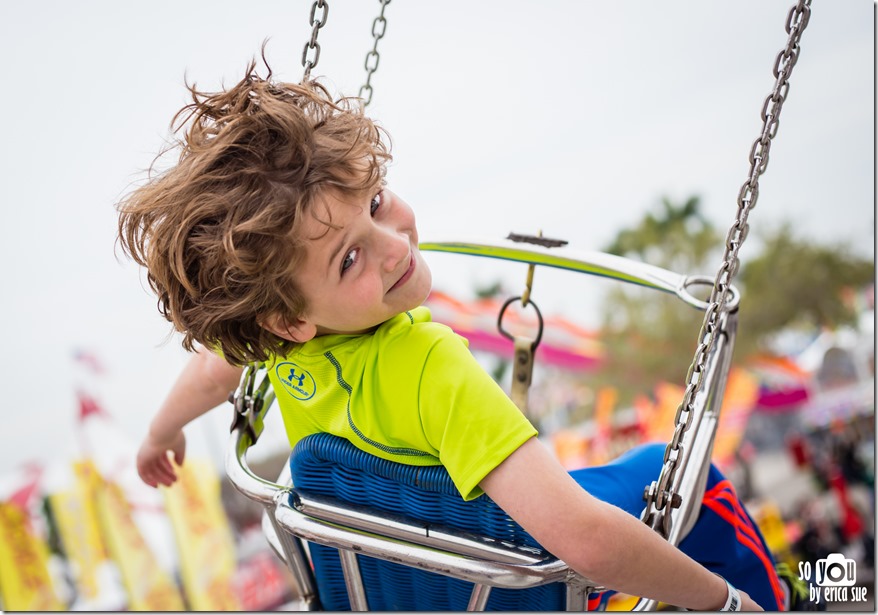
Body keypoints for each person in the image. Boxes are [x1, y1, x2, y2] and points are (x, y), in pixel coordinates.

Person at [118, 57, 787, 611]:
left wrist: (161, 431)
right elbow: (583, 537)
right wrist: (721, 601)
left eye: (375, 202)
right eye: (349, 258)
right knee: (688, 480)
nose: (393, 245)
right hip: (518, 581)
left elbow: (215, 367)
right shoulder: (429, 364)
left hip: (406, 588)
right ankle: (772, 602)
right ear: (290, 318)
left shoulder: (289, 351)